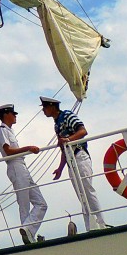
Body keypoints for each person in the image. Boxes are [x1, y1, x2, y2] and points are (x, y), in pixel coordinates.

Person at [40, 96, 107, 231]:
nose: (44, 110)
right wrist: (60, 168)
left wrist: (68, 139)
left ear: (52, 106)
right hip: (72, 161)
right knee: (82, 195)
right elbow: (64, 149)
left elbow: (82, 131)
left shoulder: (67, 116)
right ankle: (90, 226)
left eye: (45, 107)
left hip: (80, 156)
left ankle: (101, 223)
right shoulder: (57, 125)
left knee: (87, 190)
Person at [0, 104, 48, 244]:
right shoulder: (1, 131)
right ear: (6, 114)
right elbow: (8, 151)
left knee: (41, 203)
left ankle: (28, 230)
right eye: (13, 113)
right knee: (23, 203)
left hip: (22, 167)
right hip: (15, 166)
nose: (15, 116)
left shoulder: (9, 131)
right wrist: (28, 148)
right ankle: (28, 236)